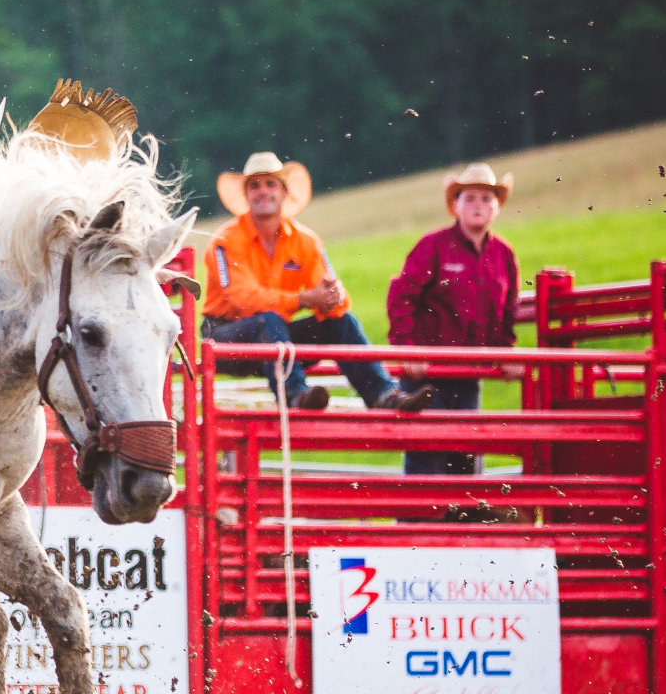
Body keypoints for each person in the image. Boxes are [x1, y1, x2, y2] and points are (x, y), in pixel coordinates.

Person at [201, 152, 433, 413]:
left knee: (342, 322)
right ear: (246, 195)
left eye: (270, 184)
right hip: (224, 340)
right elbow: (242, 300)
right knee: (269, 320)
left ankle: (384, 394)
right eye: (254, 185)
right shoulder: (225, 241)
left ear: (284, 193)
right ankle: (297, 395)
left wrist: (332, 298)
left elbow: (335, 300)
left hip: (277, 340)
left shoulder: (306, 241)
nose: (262, 191)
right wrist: (303, 299)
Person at [387, 163, 519, 475]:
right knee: (429, 455)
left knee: (466, 457)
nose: (478, 205)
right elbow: (400, 298)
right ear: (455, 205)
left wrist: (506, 352)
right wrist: (407, 349)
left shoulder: (503, 255)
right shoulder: (432, 246)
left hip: (467, 374)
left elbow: (508, 311)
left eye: (486, 198)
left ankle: (462, 523)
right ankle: (417, 523)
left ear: (497, 207)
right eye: (470, 197)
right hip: (427, 374)